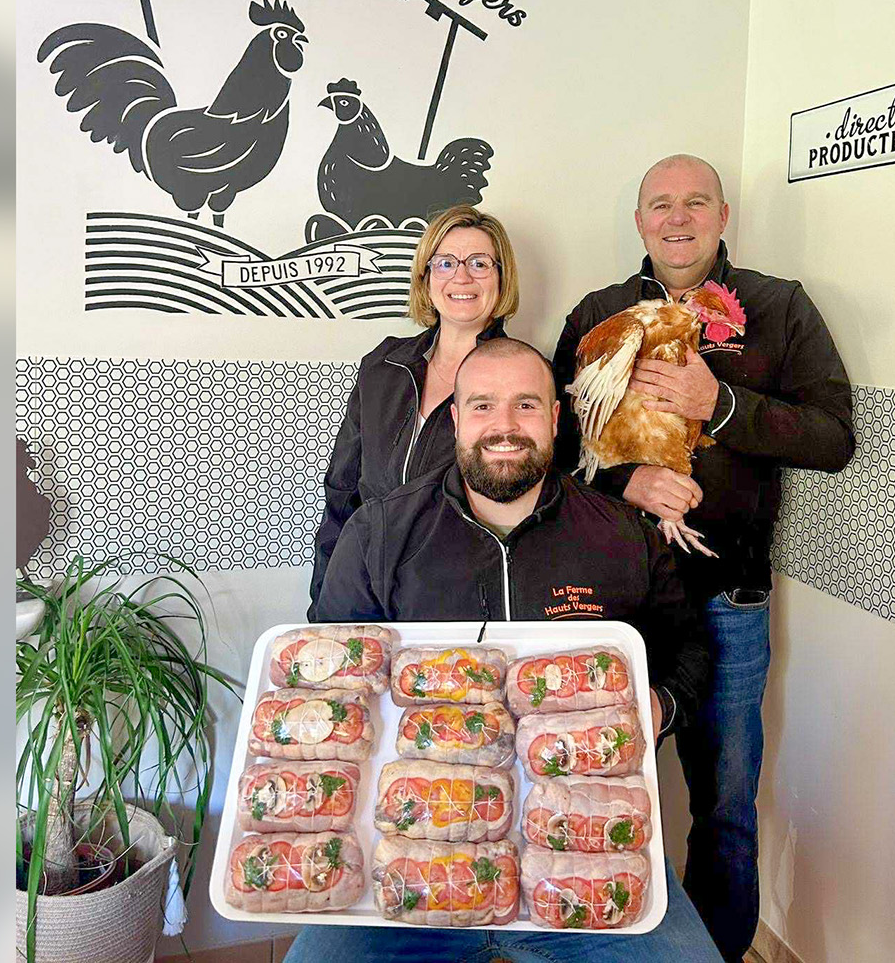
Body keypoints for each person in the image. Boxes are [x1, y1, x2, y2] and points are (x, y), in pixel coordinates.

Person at [294, 338, 719, 963]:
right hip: (415, 861)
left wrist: (664, 705)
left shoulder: (621, 536)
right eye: (483, 406)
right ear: (456, 419)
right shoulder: (381, 534)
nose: (504, 427)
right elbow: (325, 665)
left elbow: (690, 644)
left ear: (554, 420)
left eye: (525, 406)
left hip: (587, 853)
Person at [552, 154, 855, 962]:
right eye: (660, 204)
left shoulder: (779, 307)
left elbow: (833, 437)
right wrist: (628, 478)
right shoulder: (597, 311)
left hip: (730, 595)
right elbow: (552, 442)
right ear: (641, 220)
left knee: (723, 801)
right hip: (609, 595)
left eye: (695, 202)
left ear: (723, 215)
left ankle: (713, 953)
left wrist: (718, 405)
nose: (676, 218)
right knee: (594, 782)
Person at [310, 205, 522, 606]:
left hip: (457, 595)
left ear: (501, 277)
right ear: (426, 278)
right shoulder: (383, 365)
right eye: (445, 263)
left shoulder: (523, 375)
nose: (462, 277)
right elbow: (342, 493)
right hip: (362, 584)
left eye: (479, 263)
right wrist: (324, 595)